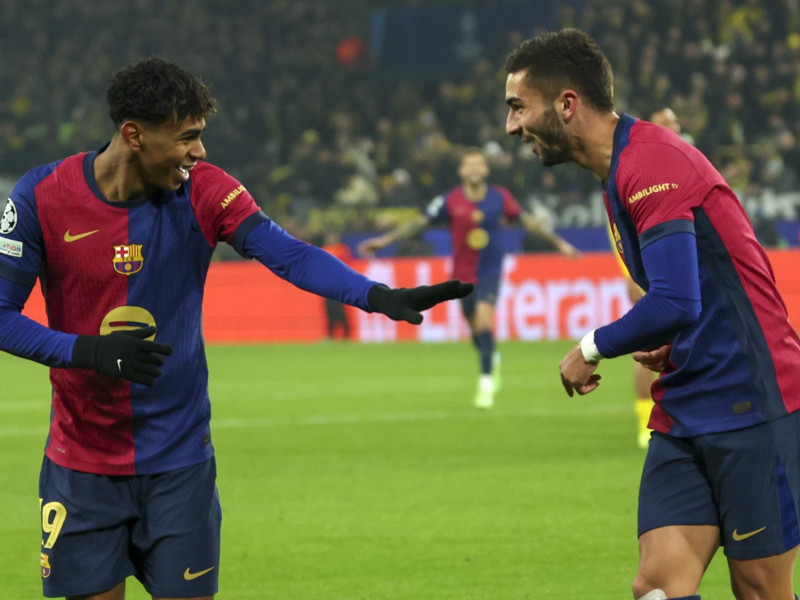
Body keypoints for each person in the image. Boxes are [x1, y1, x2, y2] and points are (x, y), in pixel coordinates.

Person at [0, 58, 472, 600]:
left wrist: (377, 295)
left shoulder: (205, 190)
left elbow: (288, 253)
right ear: (134, 135)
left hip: (180, 463)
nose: (199, 152)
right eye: (187, 137)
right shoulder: (41, 196)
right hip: (81, 463)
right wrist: (88, 352)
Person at [505, 28, 800, 600]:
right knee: (658, 588)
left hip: (754, 402)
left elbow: (674, 300)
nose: (510, 127)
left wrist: (588, 347)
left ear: (567, 104)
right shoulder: (618, 174)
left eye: (518, 107)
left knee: (761, 591)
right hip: (687, 403)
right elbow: (697, 295)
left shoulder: (651, 163)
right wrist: (677, 340)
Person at [358, 148, 579, 409]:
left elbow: (527, 221)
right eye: (469, 165)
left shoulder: (500, 197)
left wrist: (560, 243)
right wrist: (384, 240)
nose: (474, 169)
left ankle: (486, 382)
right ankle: (491, 357)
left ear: (485, 170)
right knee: (476, 331)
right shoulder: (450, 200)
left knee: (485, 323)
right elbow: (419, 222)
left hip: (490, 271)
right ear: (462, 171)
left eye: (479, 165)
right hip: (462, 275)